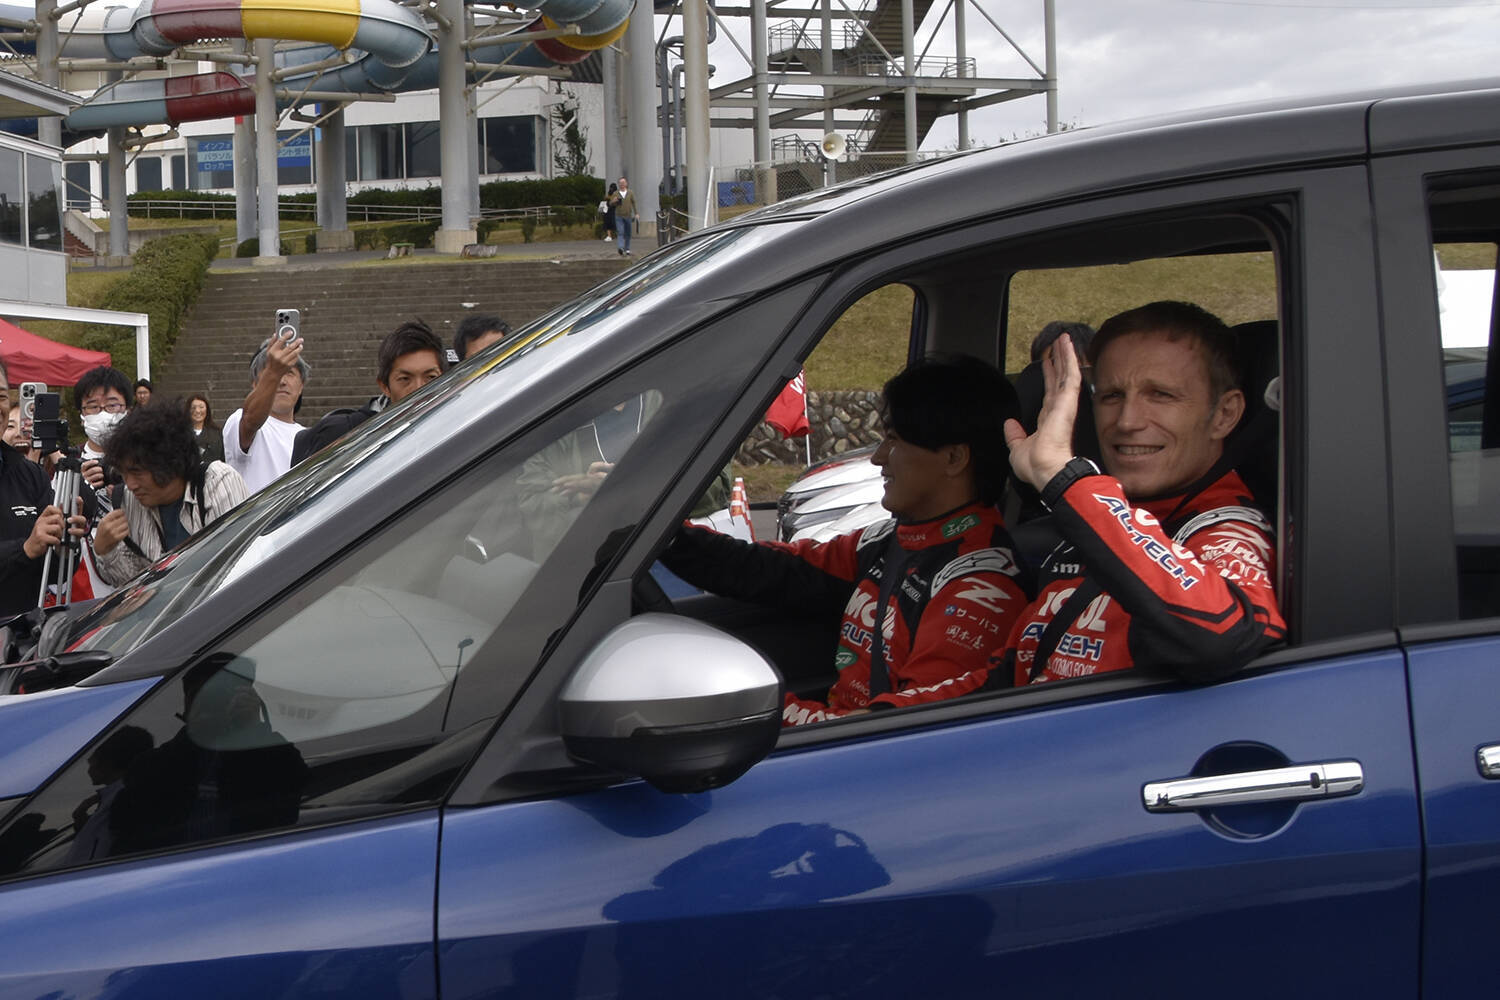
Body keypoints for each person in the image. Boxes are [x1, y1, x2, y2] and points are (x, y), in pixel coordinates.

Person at [659, 356, 1031, 727]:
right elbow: (770, 570)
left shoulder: (980, 590)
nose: (878, 458)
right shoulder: (890, 540)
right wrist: (667, 537)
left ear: (953, 458)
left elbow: (906, 732)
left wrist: (748, 707)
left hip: (860, 749)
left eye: (894, 440)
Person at [993, 300, 1287, 688]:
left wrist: (1064, 479)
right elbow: (1007, 675)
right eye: (1112, 396)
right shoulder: (1088, 530)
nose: (1127, 421)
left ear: (1224, 415)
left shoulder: (1228, 531)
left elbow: (1222, 634)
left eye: (1161, 395)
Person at [92, 402, 249, 587]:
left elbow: (235, 568)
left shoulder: (218, 482)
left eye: (137, 472)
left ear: (171, 462)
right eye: (123, 473)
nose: (130, 484)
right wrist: (106, 550)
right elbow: (134, 586)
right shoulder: (128, 500)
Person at [0, 358, 88, 617]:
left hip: (23, 632)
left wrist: (63, 545)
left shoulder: (30, 474)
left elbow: (54, 574)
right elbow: (29, 549)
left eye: (1, 396)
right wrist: (25, 549)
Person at [290, 321, 447, 466]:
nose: (419, 388)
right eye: (405, 379)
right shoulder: (347, 435)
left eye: (431, 377)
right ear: (384, 386)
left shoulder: (455, 429)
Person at [222, 333, 310, 494]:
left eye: (289, 373)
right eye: (272, 375)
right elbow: (250, 420)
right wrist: (273, 372)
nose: (282, 381)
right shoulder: (240, 421)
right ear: (255, 385)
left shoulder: (310, 437)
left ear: (301, 385)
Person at [73, 366, 132, 508]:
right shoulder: (69, 461)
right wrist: (77, 485)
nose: (103, 414)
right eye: (93, 407)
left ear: (128, 410)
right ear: (81, 416)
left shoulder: (143, 458)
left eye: (112, 405)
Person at [188, 393, 224, 465]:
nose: (197, 411)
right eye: (193, 407)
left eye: (201, 407)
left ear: (207, 410)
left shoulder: (217, 434)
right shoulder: (181, 433)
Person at [615, 176, 637, 257]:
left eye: (623, 182)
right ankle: (620, 247)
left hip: (628, 215)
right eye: (620, 183)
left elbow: (634, 203)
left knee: (628, 233)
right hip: (619, 216)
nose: (622, 184)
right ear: (618, 184)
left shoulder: (630, 193)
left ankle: (627, 248)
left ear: (626, 184)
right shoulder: (616, 193)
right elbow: (610, 204)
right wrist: (613, 201)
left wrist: (636, 213)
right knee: (620, 231)